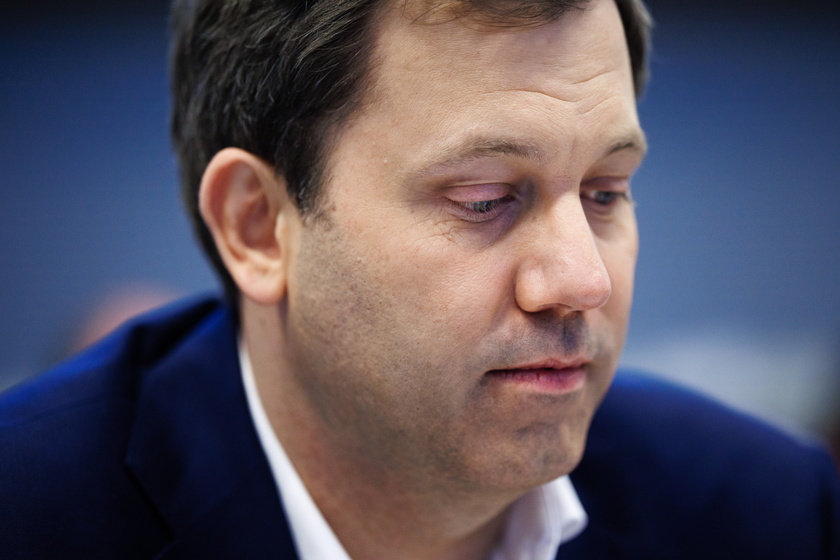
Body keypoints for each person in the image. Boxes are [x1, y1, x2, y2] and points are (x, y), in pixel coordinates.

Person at [1, 0, 838, 558]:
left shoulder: (769, 517)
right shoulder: (31, 511)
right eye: (484, 199)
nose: (581, 280)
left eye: (606, 192)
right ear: (258, 226)